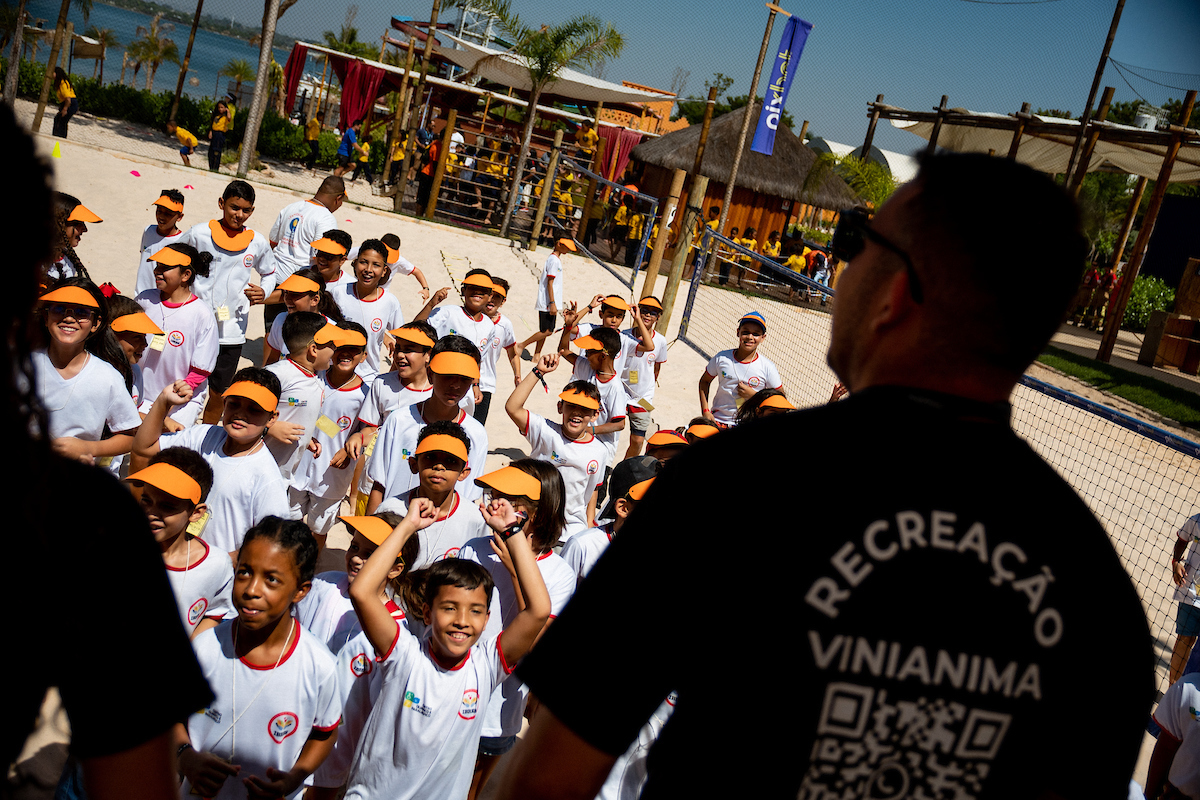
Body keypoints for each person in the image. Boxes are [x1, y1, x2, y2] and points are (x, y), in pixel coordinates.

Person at [496, 152, 1156, 800]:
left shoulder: (736, 484)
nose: (842, 267)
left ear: (895, 293)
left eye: (857, 241)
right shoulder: (1099, 596)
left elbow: (548, 777)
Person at [1, 100, 211, 798]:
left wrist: (93, 452)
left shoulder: (103, 520)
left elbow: (132, 758)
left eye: (83, 311)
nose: (69, 316)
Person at [341, 482, 552, 800]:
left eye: (476, 611)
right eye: (449, 608)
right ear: (426, 613)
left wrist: (513, 533)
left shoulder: (486, 666)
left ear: (486, 619)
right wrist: (408, 525)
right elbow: (362, 590)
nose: (462, 621)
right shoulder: (404, 655)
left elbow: (539, 611)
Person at [174, 517, 340, 800]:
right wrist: (185, 755)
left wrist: (295, 778)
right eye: (244, 573)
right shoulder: (206, 647)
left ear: (301, 591)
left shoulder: (318, 666)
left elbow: (324, 733)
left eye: (271, 579)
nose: (251, 590)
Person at [134, 367, 291, 557]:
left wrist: (222, 564)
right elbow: (144, 448)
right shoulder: (204, 435)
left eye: (254, 409)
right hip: (176, 558)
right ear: (224, 402)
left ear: (272, 418)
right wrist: (163, 402)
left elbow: (274, 541)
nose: (240, 414)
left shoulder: (267, 477)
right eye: (234, 404)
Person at [181, 179, 276, 424]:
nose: (239, 214)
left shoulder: (257, 242)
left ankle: (205, 433)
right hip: (194, 324)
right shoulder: (199, 233)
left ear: (252, 211)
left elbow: (269, 272)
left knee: (219, 392)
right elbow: (175, 259)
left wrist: (263, 291)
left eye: (246, 210)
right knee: (183, 382)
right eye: (234, 207)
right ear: (222, 203)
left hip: (231, 331)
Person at [126, 448, 232, 639]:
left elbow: (214, 612)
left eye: (167, 506)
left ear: (196, 513)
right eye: (146, 500)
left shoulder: (216, 565)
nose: (151, 513)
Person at [34, 281, 141, 465]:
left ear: (95, 323)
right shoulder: (22, 365)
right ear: (45, 316)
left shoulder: (107, 377)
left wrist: (88, 448)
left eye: (81, 312)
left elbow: (129, 436)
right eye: (59, 309)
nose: (68, 318)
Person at [505, 354, 608, 540]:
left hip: (571, 531)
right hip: (534, 526)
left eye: (585, 409)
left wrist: (590, 521)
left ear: (594, 415)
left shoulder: (599, 451)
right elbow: (513, 407)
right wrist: (538, 371)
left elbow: (593, 488)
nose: (577, 413)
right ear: (560, 407)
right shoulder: (545, 431)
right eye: (572, 406)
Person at [134, 243, 219, 430]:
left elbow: (201, 370)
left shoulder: (201, 314)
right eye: (157, 266)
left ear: (186, 275)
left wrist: (183, 389)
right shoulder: (144, 300)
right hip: (140, 391)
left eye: (165, 268)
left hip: (181, 401)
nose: (157, 272)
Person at [264, 176, 344, 328]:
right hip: (299, 285)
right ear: (338, 198)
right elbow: (320, 258)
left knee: (271, 328)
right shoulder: (326, 218)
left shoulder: (291, 207)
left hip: (275, 277)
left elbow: (273, 242)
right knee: (296, 335)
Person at [330, 238, 404, 377]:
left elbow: (403, 342)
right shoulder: (338, 293)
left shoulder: (390, 302)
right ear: (355, 263)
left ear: (384, 271)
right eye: (363, 262)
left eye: (376, 265)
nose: (368, 270)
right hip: (333, 372)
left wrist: (390, 376)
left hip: (367, 377)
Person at [698, 310, 782, 428]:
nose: (750, 337)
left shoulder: (767, 367)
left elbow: (780, 398)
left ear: (763, 338)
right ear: (738, 333)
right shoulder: (722, 358)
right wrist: (705, 410)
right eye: (745, 332)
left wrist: (754, 396)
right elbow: (704, 381)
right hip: (718, 420)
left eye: (756, 334)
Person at [522, 238, 573, 360]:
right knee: (548, 331)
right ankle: (521, 345)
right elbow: (550, 283)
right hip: (548, 301)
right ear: (559, 244)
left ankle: (536, 354)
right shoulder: (554, 260)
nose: (568, 249)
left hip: (550, 300)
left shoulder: (555, 259)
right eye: (566, 246)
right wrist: (552, 303)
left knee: (545, 329)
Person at [134, 191, 186, 295]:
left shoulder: (182, 241)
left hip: (162, 298)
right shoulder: (148, 231)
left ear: (179, 217)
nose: (161, 216)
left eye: (167, 214)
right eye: (159, 211)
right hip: (140, 294)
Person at [1170, 512, 1200, 684]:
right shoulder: (1196, 520)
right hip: (1190, 592)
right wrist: (1176, 562)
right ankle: (1171, 693)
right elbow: (1182, 540)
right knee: (1184, 640)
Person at [207, 99, 234, 171]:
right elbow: (212, 123)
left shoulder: (225, 117)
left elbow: (229, 118)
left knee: (217, 151)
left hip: (220, 134)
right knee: (211, 151)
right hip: (214, 133)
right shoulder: (216, 116)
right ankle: (211, 167)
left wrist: (227, 111)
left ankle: (215, 168)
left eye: (222, 107)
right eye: (219, 107)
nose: (220, 109)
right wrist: (211, 131)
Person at [52, 67, 79, 138]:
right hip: (67, 103)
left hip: (70, 103)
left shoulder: (63, 84)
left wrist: (65, 109)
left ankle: (59, 136)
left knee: (61, 120)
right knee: (60, 120)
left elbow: (68, 99)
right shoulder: (60, 82)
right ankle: (59, 136)